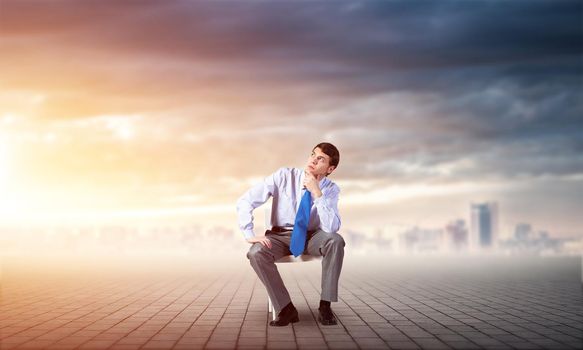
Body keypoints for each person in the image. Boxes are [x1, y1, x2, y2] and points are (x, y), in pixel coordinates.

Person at [236, 142, 345, 327]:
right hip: (280, 236)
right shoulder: (284, 176)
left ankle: (325, 305)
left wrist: (317, 192)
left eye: (321, 159)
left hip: (313, 237)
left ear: (330, 168)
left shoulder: (331, 189)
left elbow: (331, 227)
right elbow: (246, 200)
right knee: (255, 253)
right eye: (313, 154)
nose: (313, 160)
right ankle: (286, 308)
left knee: (335, 241)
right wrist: (248, 233)